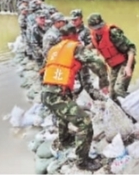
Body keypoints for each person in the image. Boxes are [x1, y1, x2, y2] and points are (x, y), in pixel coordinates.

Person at [41, 23, 109, 171]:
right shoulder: (75, 47)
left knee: (64, 114)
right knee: (85, 123)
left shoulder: (54, 49)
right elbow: (98, 62)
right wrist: (104, 82)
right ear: (75, 35)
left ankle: (64, 140)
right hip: (57, 95)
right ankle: (82, 161)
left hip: (47, 93)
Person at [87, 13, 136, 106]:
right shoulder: (95, 35)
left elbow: (131, 49)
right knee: (112, 96)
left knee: (119, 91)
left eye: (100, 27)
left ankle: (138, 106)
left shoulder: (113, 33)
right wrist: (82, 49)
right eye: (96, 29)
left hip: (125, 63)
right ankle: (127, 114)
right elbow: (96, 44)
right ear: (91, 28)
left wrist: (128, 67)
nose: (99, 30)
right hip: (114, 66)